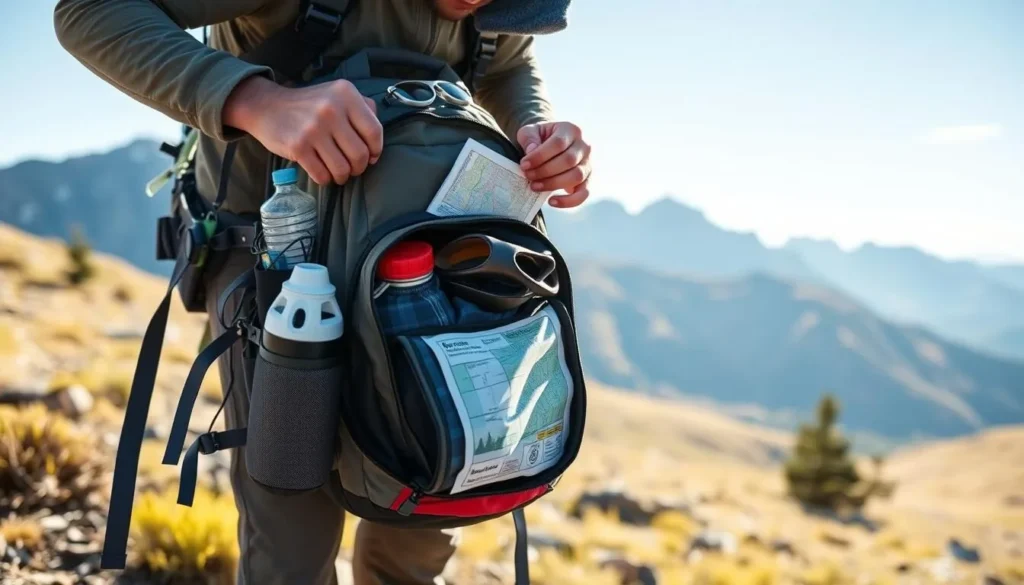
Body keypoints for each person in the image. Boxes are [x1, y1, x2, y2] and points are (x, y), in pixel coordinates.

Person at [54, 1, 592, 584]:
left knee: (425, 504)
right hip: (278, 273)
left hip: (429, 278)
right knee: (292, 535)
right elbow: (91, 12)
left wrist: (535, 129)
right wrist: (257, 102)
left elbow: (508, 64)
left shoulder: (494, 10)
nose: (480, 5)